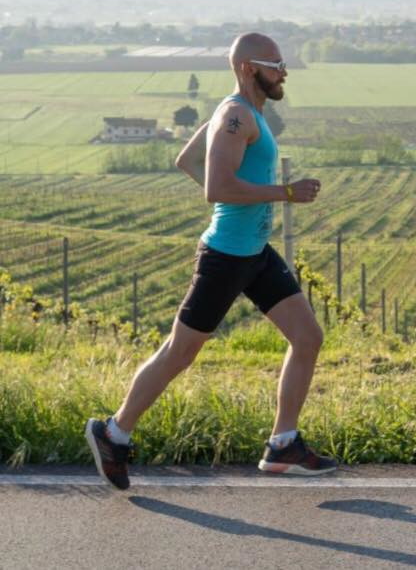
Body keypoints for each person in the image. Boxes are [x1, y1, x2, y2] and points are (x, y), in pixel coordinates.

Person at [85, 33, 336, 490]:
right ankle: (113, 433)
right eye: (275, 65)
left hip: (255, 253)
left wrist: (246, 205)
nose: (283, 73)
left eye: (284, 65)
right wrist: (284, 193)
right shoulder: (237, 115)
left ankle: (283, 443)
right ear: (248, 68)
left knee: (307, 336)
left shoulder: (242, 111)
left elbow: (187, 159)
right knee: (180, 352)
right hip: (224, 257)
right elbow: (214, 187)